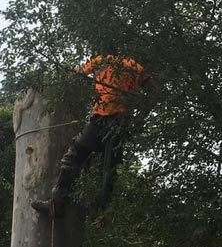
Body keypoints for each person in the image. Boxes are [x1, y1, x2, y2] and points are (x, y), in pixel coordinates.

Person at [32, 54, 150, 217]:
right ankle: (101, 213)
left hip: (102, 119)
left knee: (75, 156)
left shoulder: (102, 60)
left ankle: (57, 203)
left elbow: (75, 74)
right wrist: (138, 119)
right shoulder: (134, 65)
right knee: (108, 167)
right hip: (122, 123)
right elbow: (154, 90)